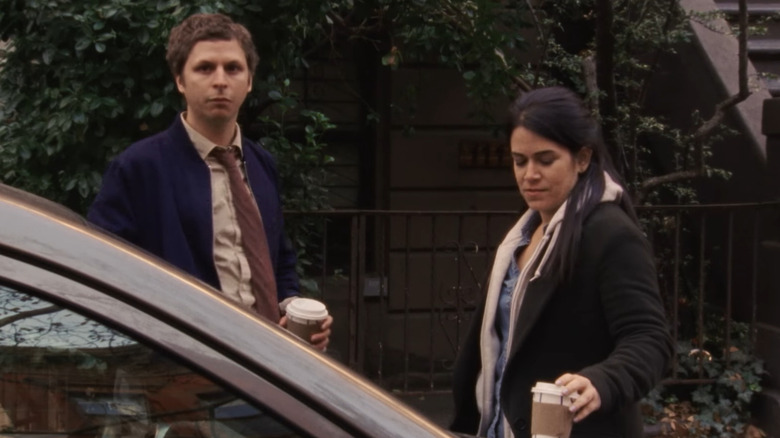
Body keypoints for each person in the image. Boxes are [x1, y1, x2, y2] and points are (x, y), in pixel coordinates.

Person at [87, 13, 331, 350]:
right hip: (184, 368)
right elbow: (102, 273)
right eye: (205, 68)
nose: (220, 80)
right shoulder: (139, 168)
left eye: (233, 68)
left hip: (271, 364)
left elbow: (280, 260)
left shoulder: (261, 164)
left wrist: (293, 310)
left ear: (249, 81)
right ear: (180, 81)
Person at [450, 86, 672, 437]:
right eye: (519, 161)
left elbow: (650, 339)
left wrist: (602, 381)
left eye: (545, 159)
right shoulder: (521, 236)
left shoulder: (610, 235)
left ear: (582, 159)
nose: (529, 174)